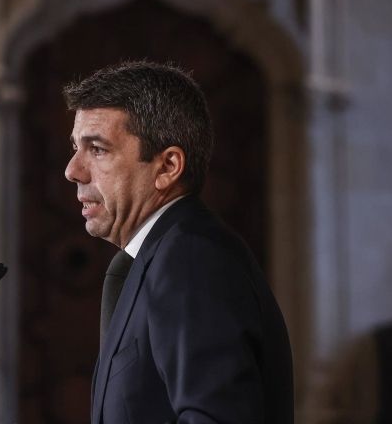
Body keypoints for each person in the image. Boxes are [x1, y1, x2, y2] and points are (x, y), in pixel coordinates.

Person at [63, 61, 294, 424]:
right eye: (76, 147)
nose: (72, 170)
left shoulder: (191, 258)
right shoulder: (159, 255)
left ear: (168, 167)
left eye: (98, 149)